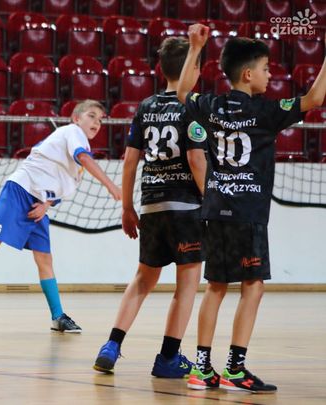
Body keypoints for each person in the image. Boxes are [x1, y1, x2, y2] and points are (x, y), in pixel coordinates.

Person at [177, 24, 326, 393]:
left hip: (215, 208)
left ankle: (201, 368)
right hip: (247, 213)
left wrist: (195, 47)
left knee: (215, 287)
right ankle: (235, 367)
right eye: (265, 68)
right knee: (253, 285)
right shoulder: (265, 112)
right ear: (248, 74)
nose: (270, 75)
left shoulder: (211, 105)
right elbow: (315, 98)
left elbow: (182, 92)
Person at [0, 100, 122, 332]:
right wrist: (111, 185)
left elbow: (61, 185)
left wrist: (46, 205)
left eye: (100, 120)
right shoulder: (73, 132)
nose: (96, 122)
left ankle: (58, 316)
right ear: (76, 118)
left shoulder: (76, 158)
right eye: (91, 116)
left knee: (45, 259)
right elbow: (84, 158)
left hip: (38, 202)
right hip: (20, 190)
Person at [93, 37, 207, 377]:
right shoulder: (194, 106)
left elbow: (130, 161)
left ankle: (111, 345)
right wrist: (212, 201)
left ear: (161, 69)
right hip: (186, 206)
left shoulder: (146, 106)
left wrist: (127, 208)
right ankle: (168, 358)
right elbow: (196, 159)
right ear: (193, 70)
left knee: (143, 279)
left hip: (152, 204)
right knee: (186, 285)